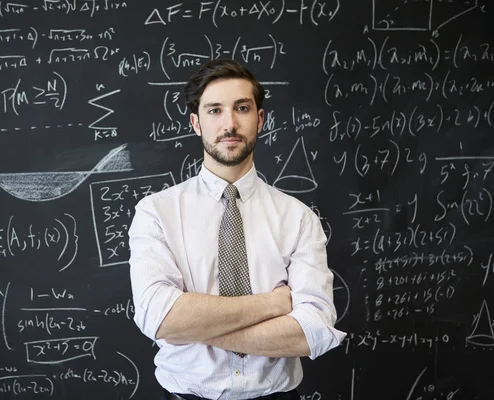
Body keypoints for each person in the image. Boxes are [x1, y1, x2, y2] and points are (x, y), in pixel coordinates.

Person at [128, 59, 346, 400]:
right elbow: (162, 318)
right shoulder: (157, 213)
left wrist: (195, 326)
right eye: (214, 110)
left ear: (259, 119)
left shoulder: (299, 218)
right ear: (196, 123)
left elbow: (310, 333)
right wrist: (273, 304)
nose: (229, 124)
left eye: (241, 108)